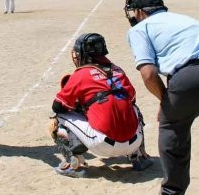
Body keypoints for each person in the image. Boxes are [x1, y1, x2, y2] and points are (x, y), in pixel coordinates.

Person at [125, 0, 199, 194]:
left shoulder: (140, 29)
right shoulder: (185, 19)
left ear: (140, 12)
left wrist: (164, 100)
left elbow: (148, 74)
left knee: (172, 127)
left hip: (189, 77)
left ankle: (172, 191)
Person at [49, 33, 152, 178]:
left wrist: (82, 108)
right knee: (134, 109)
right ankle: (139, 156)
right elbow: (132, 99)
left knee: (57, 119)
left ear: (83, 54)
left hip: (101, 145)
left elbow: (57, 106)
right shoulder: (118, 70)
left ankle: (74, 164)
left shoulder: (81, 74)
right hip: (134, 141)